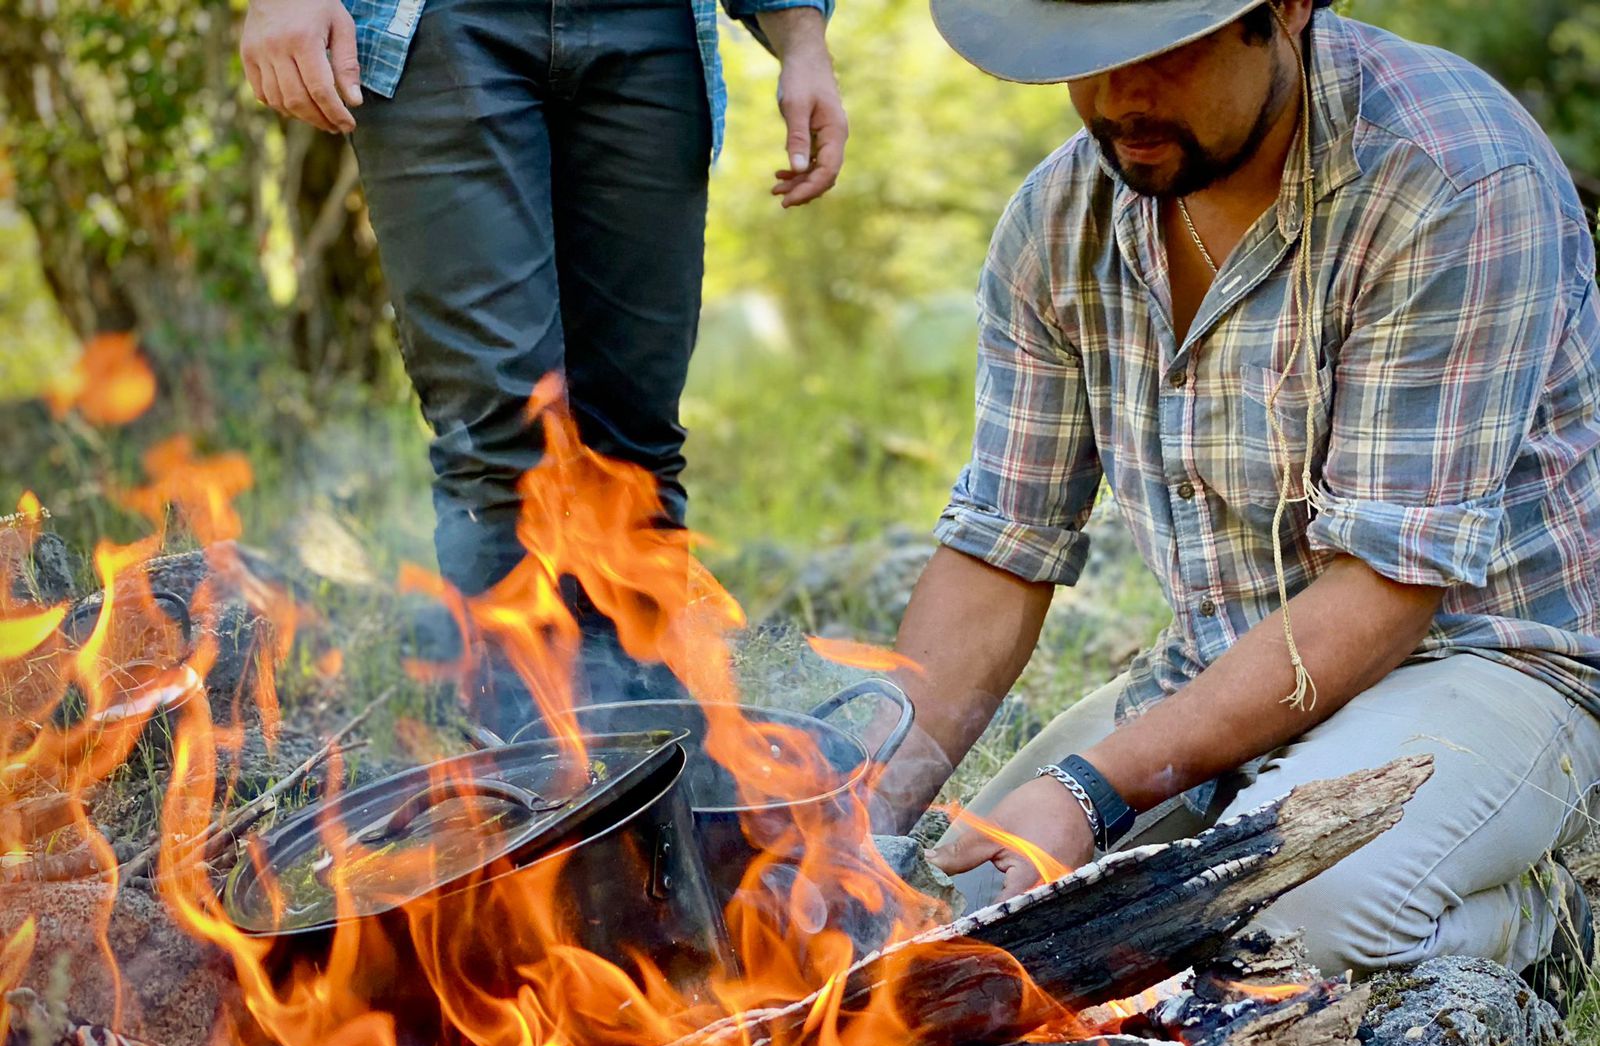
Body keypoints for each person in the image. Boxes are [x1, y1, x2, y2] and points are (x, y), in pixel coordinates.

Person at [878, 0, 1600, 988]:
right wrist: (854, 816)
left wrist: (1090, 791)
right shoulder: (1058, 222)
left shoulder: (1447, 172)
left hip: (1485, 658)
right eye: (1083, 60)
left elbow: (1387, 588)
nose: (1119, 96)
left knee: (1287, 924)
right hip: (1220, 665)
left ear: (1287, 10)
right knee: (976, 936)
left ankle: (1537, 921)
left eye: (1159, 52)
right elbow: (1003, 546)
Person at [240, 0, 847, 728]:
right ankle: (520, 772)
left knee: (634, 438)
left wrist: (802, 36)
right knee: (503, 432)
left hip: (651, 33)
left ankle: (644, 761)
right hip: (442, 24)